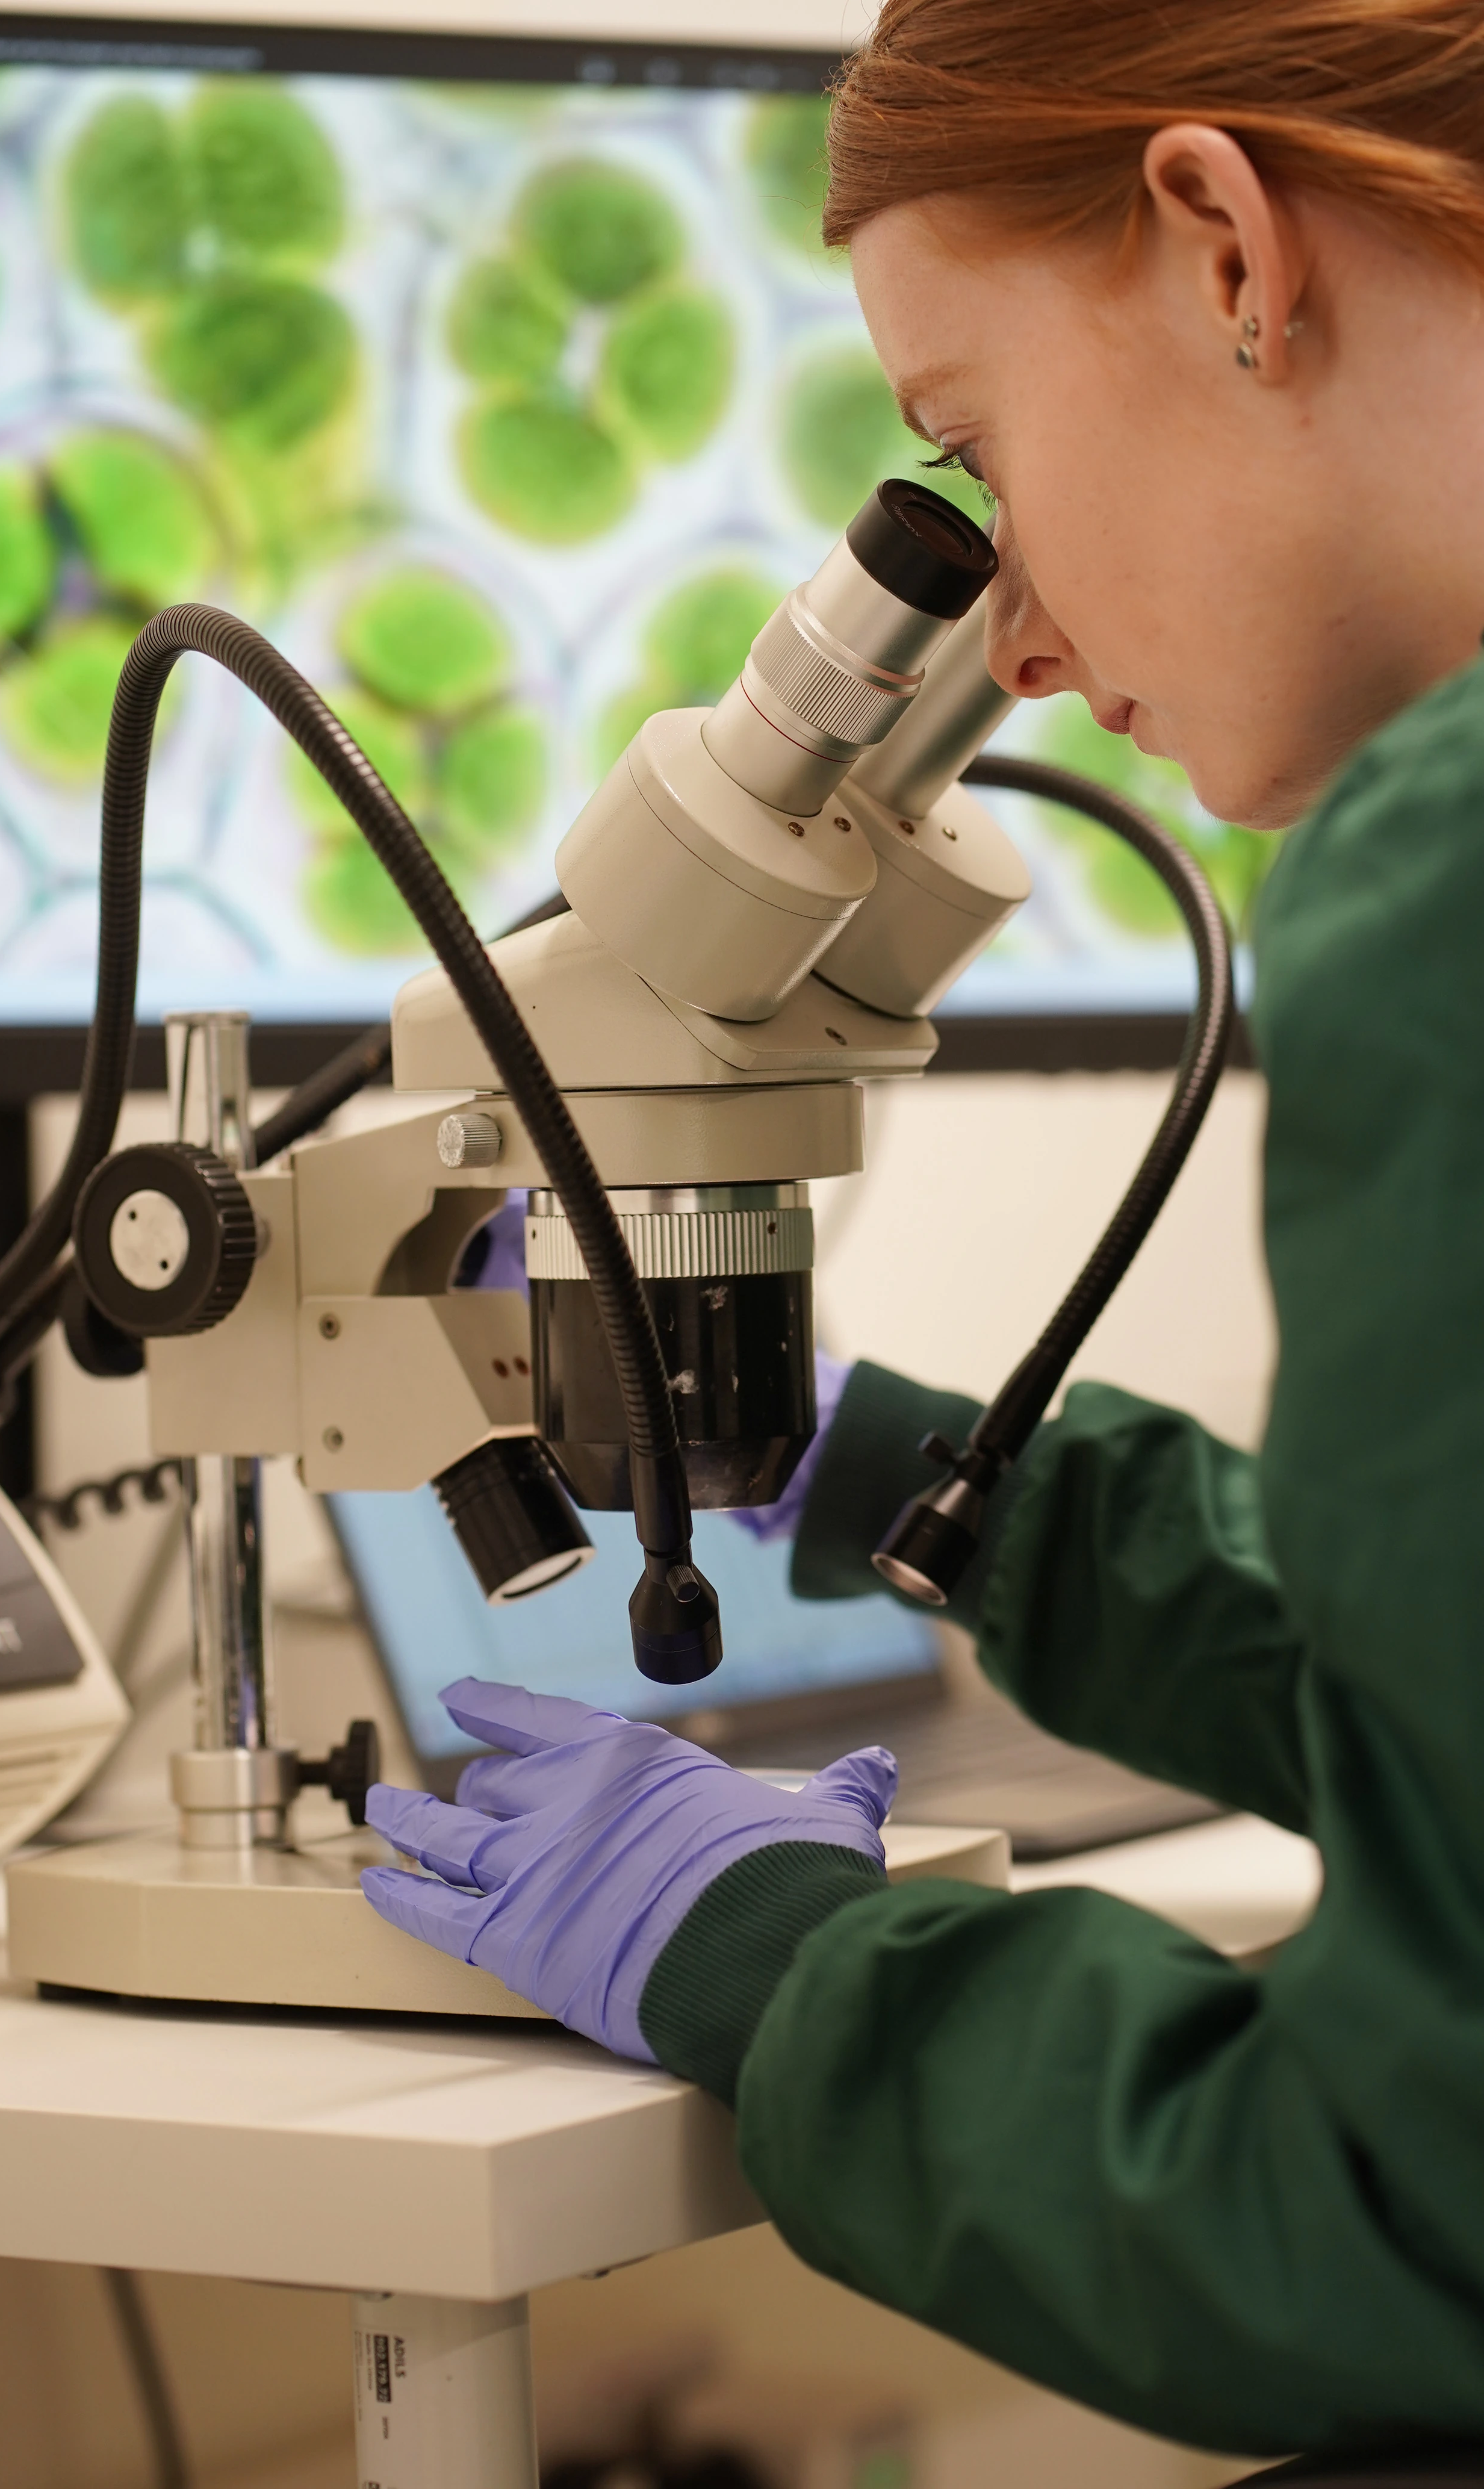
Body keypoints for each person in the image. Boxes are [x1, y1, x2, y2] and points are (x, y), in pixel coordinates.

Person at [362, 0, 1484, 2456]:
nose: (1026, 648)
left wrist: (772, 1962)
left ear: (1218, 246)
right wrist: (927, 1484)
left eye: (971, 447)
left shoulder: (1444, 883)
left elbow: (1411, 2218)